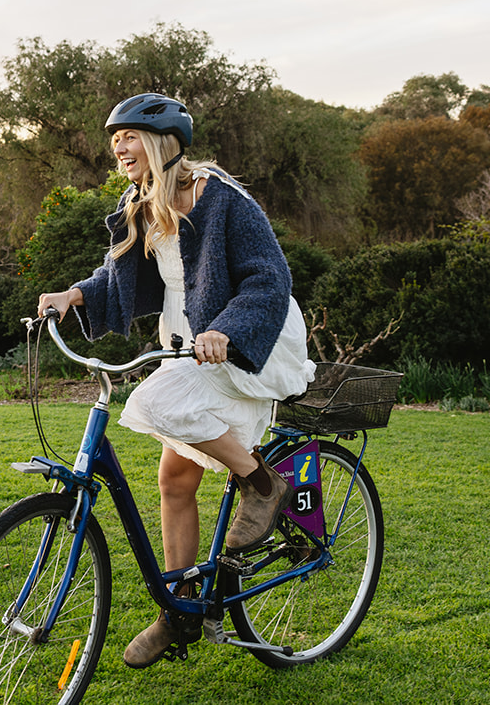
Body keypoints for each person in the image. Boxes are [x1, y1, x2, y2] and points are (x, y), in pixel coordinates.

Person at [37, 93, 314, 670]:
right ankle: (180, 609)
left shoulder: (222, 199)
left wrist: (227, 330)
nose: (118, 147)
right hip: (185, 344)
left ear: (163, 143)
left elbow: (270, 277)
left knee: (156, 401)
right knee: (174, 481)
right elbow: (119, 272)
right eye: (114, 140)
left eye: (129, 136)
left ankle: (264, 486)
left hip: (244, 339)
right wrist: (76, 295)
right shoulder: (142, 202)